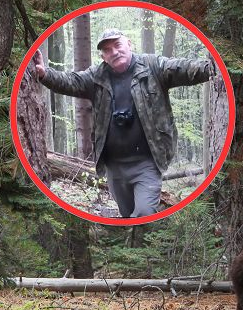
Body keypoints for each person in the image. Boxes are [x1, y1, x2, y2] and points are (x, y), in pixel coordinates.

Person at [33, 27, 214, 218]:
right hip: (114, 166)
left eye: (117, 45)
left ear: (129, 44)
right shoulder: (97, 76)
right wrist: (45, 74)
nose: (114, 52)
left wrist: (212, 68)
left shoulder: (152, 67)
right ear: (103, 56)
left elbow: (183, 68)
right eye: (107, 50)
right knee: (127, 216)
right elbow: (70, 81)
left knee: (144, 213)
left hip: (147, 163)